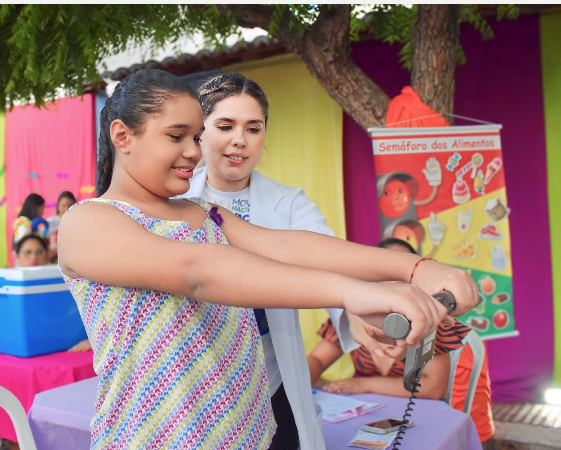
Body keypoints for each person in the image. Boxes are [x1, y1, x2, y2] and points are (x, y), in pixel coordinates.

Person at [57, 69, 479, 450]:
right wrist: (354, 292)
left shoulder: (200, 213)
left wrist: (415, 268)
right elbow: (197, 271)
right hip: (156, 436)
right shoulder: (89, 222)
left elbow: (286, 247)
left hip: (247, 432)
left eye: (196, 136)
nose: (194, 152)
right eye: (176, 136)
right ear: (122, 135)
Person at [178, 72, 339, 449]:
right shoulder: (175, 202)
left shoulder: (289, 204)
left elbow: (329, 257)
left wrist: (363, 310)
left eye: (253, 128)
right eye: (225, 125)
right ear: (201, 131)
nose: (240, 140)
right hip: (200, 380)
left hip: (274, 379)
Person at [307, 238, 494, 446]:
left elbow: (433, 387)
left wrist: (363, 384)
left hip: (419, 419)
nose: (394, 283)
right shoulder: (353, 315)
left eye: (402, 275)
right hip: (371, 416)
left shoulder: (428, 320)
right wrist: (297, 387)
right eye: (387, 273)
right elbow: (317, 358)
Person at [13, 231, 92, 353]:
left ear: (46, 255)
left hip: (67, 346)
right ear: (17, 256)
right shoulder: (11, 284)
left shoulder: (65, 280)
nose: (33, 257)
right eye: (28, 252)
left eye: (39, 252)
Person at [46, 191, 77, 262]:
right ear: (58, 206)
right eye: (63, 206)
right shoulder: (50, 222)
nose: (66, 209)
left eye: (69, 205)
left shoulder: (78, 223)